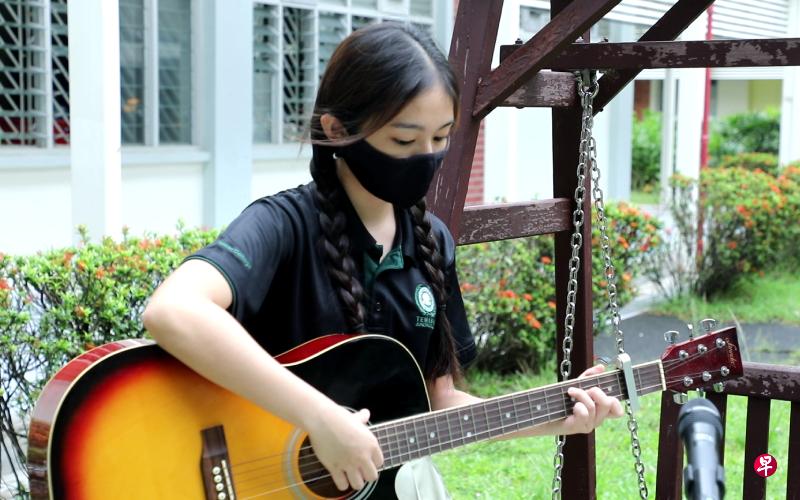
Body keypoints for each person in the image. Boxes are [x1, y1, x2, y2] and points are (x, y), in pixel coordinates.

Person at [143, 22, 623, 498]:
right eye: (403, 140)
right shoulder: (283, 224)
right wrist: (321, 417)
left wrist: (550, 419)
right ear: (337, 129)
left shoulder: (433, 242)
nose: (427, 156)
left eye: (441, 138)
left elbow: (438, 402)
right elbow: (173, 310)